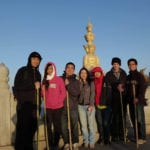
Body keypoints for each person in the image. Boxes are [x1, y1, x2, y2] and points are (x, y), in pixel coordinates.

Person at [13, 51, 42, 150]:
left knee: (32, 130)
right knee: (22, 130)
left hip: (35, 106)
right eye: (34, 59)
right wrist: (32, 85)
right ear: (30, 59)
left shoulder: (38, 73)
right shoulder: (22, 70)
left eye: (38, 60)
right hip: (24, 105)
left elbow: (38, 90)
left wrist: (40, 104)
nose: (36, 61)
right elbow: (17, 86)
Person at [42, 62, 66, 150]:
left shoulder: (59, 79)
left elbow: (63, 93)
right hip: (48, 107)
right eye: (48, 69)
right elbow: (43, 94)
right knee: (48, 126)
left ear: (54, 69)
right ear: (46, 70)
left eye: (51, 68)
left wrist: (57, 102)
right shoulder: (44, 80)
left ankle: (55, 144)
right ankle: (50, 144)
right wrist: (42, 89)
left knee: (57, 126)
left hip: (58, 107)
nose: (49, 70)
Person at [105, 57, 127, 142]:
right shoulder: (108, 74)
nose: (115, 65)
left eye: (117, 64)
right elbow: (108, 84)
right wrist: (116, 86)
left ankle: (122, 134)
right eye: (114, 64)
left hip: (122, 98)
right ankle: (115, 134)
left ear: (119, 65)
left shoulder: (123, 73)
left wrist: (122, 87)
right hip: (113, 98)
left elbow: (125, 83)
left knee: (122, 116)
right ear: (112, 64)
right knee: (115, 117)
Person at [126, 58, 147, 144]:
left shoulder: (140, 76)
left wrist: (138, 98)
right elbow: (126, 89)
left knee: (140, 119)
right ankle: (136, 136)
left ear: (136, 65)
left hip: (138, 101)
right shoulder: (128, 77)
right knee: (133, 119)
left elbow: (143, 88)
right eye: (130, 64)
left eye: (133, 64)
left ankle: (142, 137)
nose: (131, 66)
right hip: (131, 102)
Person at [61, 62, 80, 150]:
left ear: (74, 70)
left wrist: (68, 85)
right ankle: (66, 142)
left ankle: (75, 142)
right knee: (63, 127)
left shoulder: (76, 81)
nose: (70, 69)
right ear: (65, 69)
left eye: (72, 68)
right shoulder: (60, 79)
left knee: (74, 126)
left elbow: (76, 93)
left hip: (73, 107)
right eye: (68, 67)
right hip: (61, 107)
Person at [91, 66, 112, 146]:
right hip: (97, 105)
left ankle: (107, 138)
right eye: (95, 73)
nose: (96, 74)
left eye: (97, 72)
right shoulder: (93, 81)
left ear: (101, 72)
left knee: (106, 123)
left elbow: (109, 93)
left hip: (106, 105)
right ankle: (102, 137)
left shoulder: (106, 80)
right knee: (99, 123)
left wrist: (107, 103)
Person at [78, 67, 96, 149]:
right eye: (82, 73)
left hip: (89, 105)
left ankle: (91, 141)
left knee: (91, 125)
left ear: (87, 74)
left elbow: (93, 94)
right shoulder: (78, 83)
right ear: (80, 74)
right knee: (83, 126)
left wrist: (91, 105)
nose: (83, 74)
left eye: (85, 73)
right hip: (80, 106)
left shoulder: (91, 82)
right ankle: (86, 141)